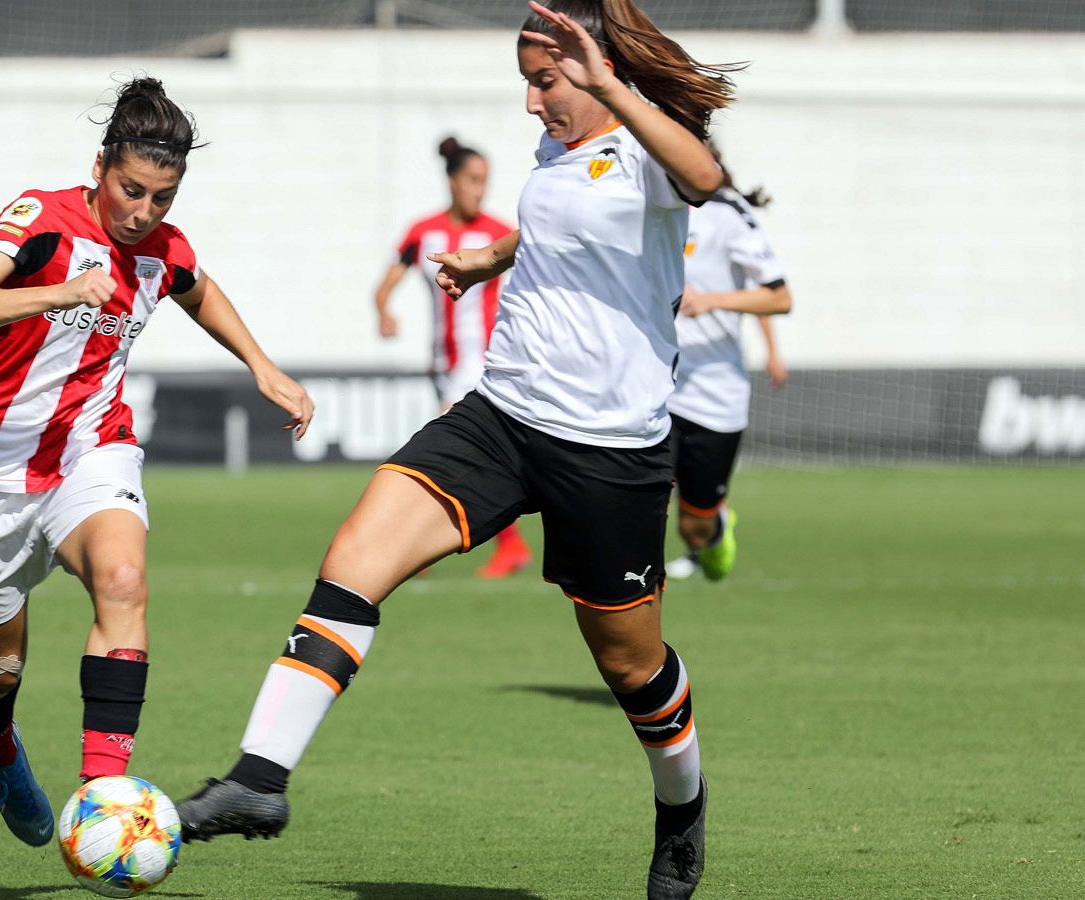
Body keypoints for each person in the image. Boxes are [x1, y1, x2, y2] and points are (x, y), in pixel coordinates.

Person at [176, 3, 735, 897]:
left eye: (543, 80)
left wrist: (608, 87)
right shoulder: (561, 146)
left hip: (608, 448)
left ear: (593, 67)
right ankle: (259, 779)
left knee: (630, 664)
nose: (528, 102)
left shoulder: (649, 144)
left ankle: (682, 811)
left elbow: (705, 179)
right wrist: (494, 258)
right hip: (501, 416)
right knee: (355, 555)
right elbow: (573, 225)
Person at [0, 76, 313, 849]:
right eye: (131, 190)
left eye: (161, 198)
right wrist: (58, 292)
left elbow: (196, 286)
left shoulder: (162, 248)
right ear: (100, 166)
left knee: (125, 580)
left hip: (89, 453)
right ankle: (1, 753)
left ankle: (104, 805)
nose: (143, 213)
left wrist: (261, 366)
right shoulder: (39, 216)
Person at [372, 137, 532, 579]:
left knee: (441, 453)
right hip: (444, 363)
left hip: (483, 363)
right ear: (452, 180)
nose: (480, 190)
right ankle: (506, 545)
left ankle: (410, 547)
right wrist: (384, 310)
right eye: (473, 180)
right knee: (468, 456)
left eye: (485, 181)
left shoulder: (500, 233)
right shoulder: (424, 231)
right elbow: (386, 283)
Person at [665, 148, 793, 582]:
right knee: (640, 496)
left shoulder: (726, 214)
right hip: (655, 386)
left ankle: (714, 530)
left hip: (714, 393)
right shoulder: (647, 205)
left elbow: (778, 297)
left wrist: (712, 302)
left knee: (692, 522)